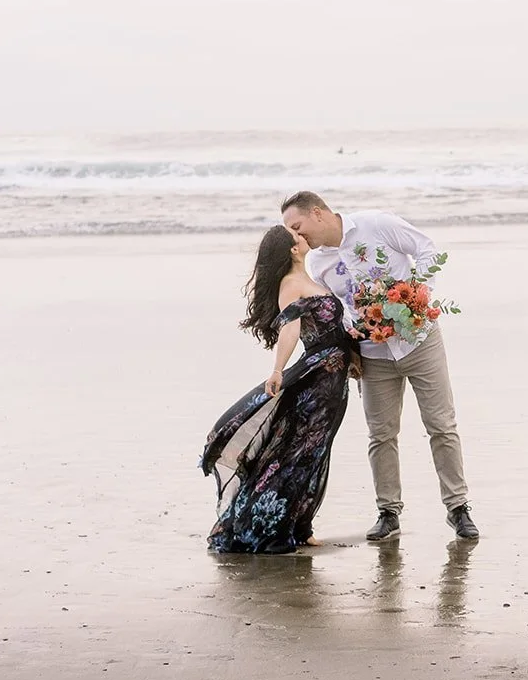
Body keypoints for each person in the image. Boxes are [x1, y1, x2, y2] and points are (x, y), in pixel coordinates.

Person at [280, 190, 478, 542]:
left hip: (419, 340)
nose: (298, 236)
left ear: (318, 213)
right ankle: (388, 513)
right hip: (372, 353)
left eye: (298, 226)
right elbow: (337, 311)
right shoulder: (318, 264)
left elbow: (427, 249)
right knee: (381, 434)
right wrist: (350, 347)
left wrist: (418, 296)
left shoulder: (376, 224)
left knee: (441, 425)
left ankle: (458, 508)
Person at [200, 225, 361, 554]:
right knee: (301, 452)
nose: (303, 236)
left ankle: (300, 526)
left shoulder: (311, 278)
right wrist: (276, 369)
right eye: (297, 235)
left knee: (315, 451)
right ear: (293, 249)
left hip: (334, 376)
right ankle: (276, 527)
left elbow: (330, 326)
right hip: (319, 379)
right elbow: (290, 328)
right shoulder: (291, 284)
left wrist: (353, 351)